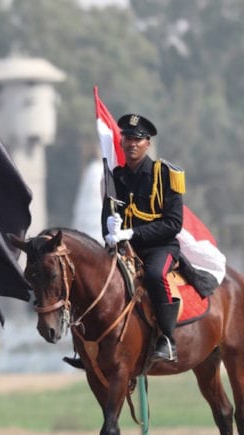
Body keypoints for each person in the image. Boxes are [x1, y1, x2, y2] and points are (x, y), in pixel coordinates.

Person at [102, 113, 185, 363]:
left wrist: (132, 232)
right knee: (93, 277)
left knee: (153, 275)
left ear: (148, 143)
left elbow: (173, 223)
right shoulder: (115, 177)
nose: (132, 143)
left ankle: (167, 339)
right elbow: (107, 213)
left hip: (160, 247)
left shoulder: (165, 175)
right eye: (127, 137)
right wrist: (108, 228)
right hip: (125, 248)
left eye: (138, 139)